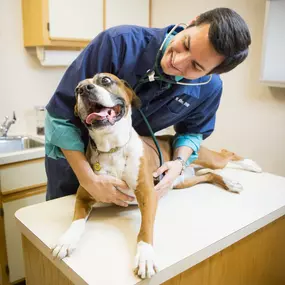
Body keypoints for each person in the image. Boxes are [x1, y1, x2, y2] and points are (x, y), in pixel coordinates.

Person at [45, 7, 251, 205]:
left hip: (128, 168)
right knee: (63, 230)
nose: (178, 61)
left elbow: (192, 133)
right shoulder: (118, 43)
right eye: (186, 44)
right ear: (192, 23)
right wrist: (88, 178)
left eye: (196, 66)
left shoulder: (209, 89)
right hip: (76, 164)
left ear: (211, 73)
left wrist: (179, 165)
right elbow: (60, 116)